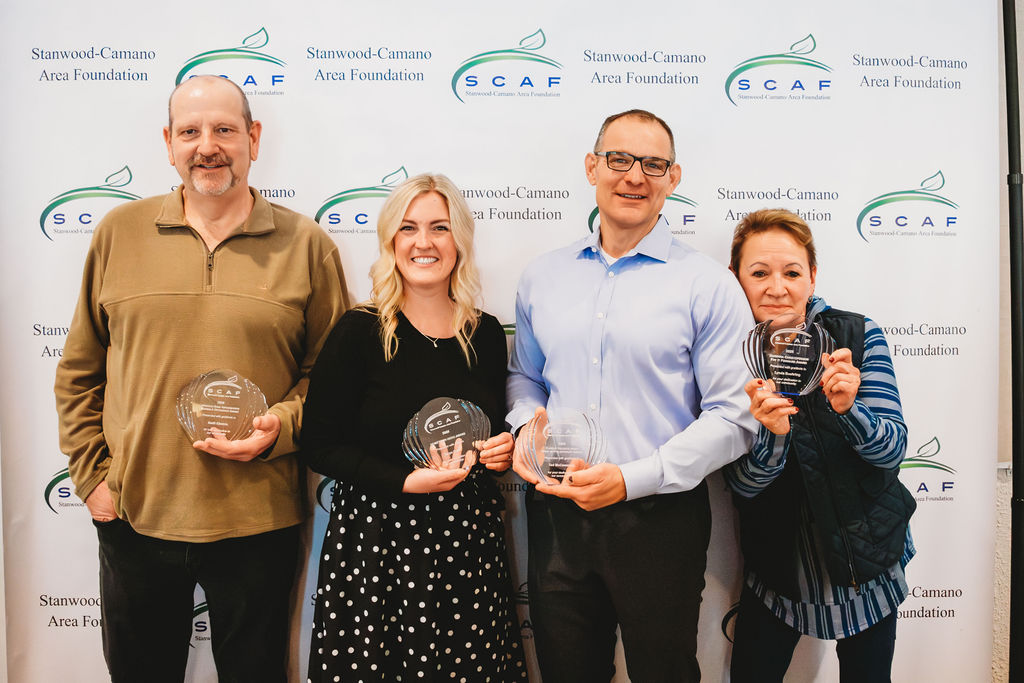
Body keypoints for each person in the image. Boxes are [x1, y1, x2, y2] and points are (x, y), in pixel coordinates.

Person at [53, 75, 349, 683]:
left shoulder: (306, 244)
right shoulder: (118, 234)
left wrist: (279, 429)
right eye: (190, 131)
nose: (206, 145)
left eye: (224, 129)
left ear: (253, 139)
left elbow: (333, 379)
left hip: (259, 519)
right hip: (137, 514)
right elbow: (80, 370)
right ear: (168, 143)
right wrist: (92, 480)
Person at [506, 109, 757, 683]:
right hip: (557, 509)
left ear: (673, 178)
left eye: (653, 164)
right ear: (592, 167)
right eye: (619, 159)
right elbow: (525, 376)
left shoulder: (707, 284)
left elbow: (735, 415)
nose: (634, 176)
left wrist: (631, 478)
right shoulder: (542, 276)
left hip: (658, 518)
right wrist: (526, 425)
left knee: (664, 672)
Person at [301, 173, 527, 682]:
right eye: (408, 228)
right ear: (391, 241)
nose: (423, 242)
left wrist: (498, 453)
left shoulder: (485, 333)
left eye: (439, 228)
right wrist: (403, 481)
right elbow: (318, 443)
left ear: (459, 241)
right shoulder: (359, 331)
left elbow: (491, 432)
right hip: (376, 544)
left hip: (466, 543)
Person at [723, 208, 916, 682]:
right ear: (736, 279)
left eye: (792, 272)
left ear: (812, 276)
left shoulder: (855, 334)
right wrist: (773, 434)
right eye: (759, 273)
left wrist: (850, 409)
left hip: (868, 561)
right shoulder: (726, 353)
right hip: (779, 571)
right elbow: (742, 485)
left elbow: (892, 451)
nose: (777, 287)